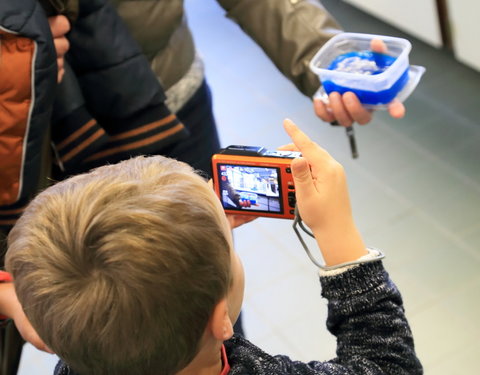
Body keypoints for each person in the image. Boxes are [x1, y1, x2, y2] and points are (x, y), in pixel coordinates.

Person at [5, 120, 422, 375]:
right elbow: (387, 366)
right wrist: (338, 232)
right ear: (222, 320)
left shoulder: (80, 349)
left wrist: (198, 223)